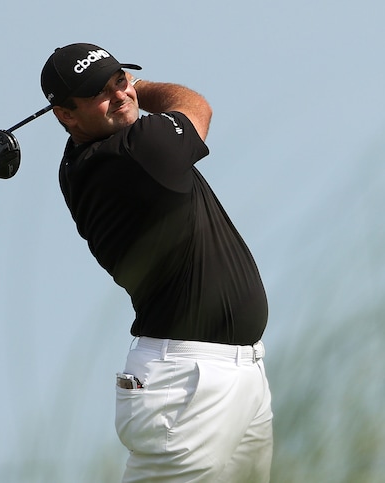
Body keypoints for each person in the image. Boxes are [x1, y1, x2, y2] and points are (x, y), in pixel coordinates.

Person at [40, 43, 272, 482]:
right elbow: (195, 106)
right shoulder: (138, 153)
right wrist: (142, 87)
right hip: (188, 384)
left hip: (234, 375)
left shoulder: (93, 157)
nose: (122, 96)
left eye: (121, 80)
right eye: (101, 93)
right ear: (66, 115)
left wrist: (122, 90)